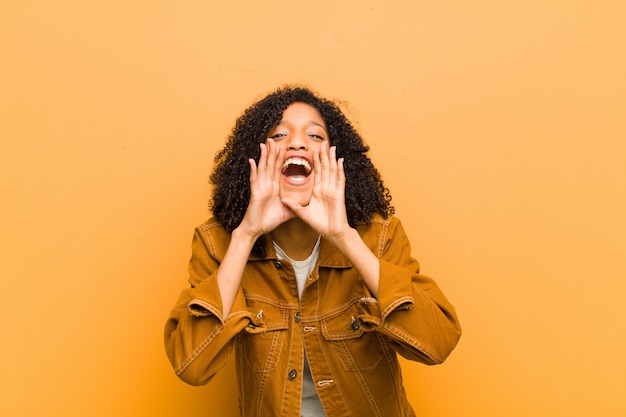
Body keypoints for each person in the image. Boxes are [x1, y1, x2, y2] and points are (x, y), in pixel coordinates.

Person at [164, 86, 461, 417]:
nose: (297, 143)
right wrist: (247, 234)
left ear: (336, 159)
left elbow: (437, 343)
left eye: (316, 136)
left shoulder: (378, 235)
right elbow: (191, 364)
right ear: (256, 157)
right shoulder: (219, 243)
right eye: (279, 134)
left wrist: (342, 235)